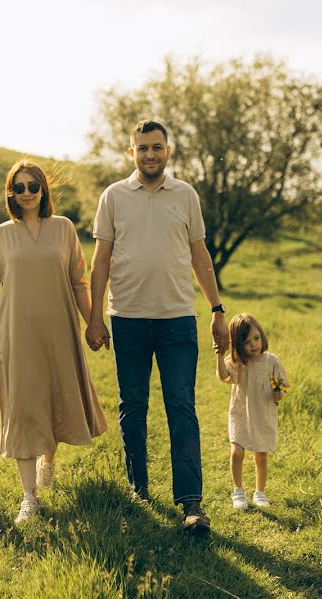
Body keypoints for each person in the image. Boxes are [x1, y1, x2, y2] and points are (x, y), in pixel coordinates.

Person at [86, 119, 229, 533]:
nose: (150, 154)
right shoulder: (113, 196)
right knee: (133, 408)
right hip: (127, 318)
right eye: (142, 148)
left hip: (178, 320)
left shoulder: (186, 196)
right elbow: (101, 261)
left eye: (156, 147)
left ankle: (191, 503)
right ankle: (138, 490)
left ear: (168, 151)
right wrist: (95, 316)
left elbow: (199, 254)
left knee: (182, 408)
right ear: (132, 153)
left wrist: (217, 309)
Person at [0, 159, 107, 524]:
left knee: (55, 399)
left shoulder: (64, 229)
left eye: (32, 187)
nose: (26, 194)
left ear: (43, 190)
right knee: (23, 408)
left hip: (59, 331)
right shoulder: (1, 236)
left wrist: (94, 323)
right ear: (10, 193)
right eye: (18, 188)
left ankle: (49, 459)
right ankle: (29, 497)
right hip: (16, 334)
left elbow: (78, 283)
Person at [215, 314, 290, 510]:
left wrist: (278, 393)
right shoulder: (238, 362)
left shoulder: (271, 360)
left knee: (260, 455)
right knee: (237, 451)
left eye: (256, 338)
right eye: (247, 342)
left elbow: (281, 384)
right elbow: (224, 376)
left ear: (262, 336)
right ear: (239, 345)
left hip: (263, 413)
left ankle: (260, 492)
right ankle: (238, 491)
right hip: (240, 413)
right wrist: (219, 355)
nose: (253, 345)